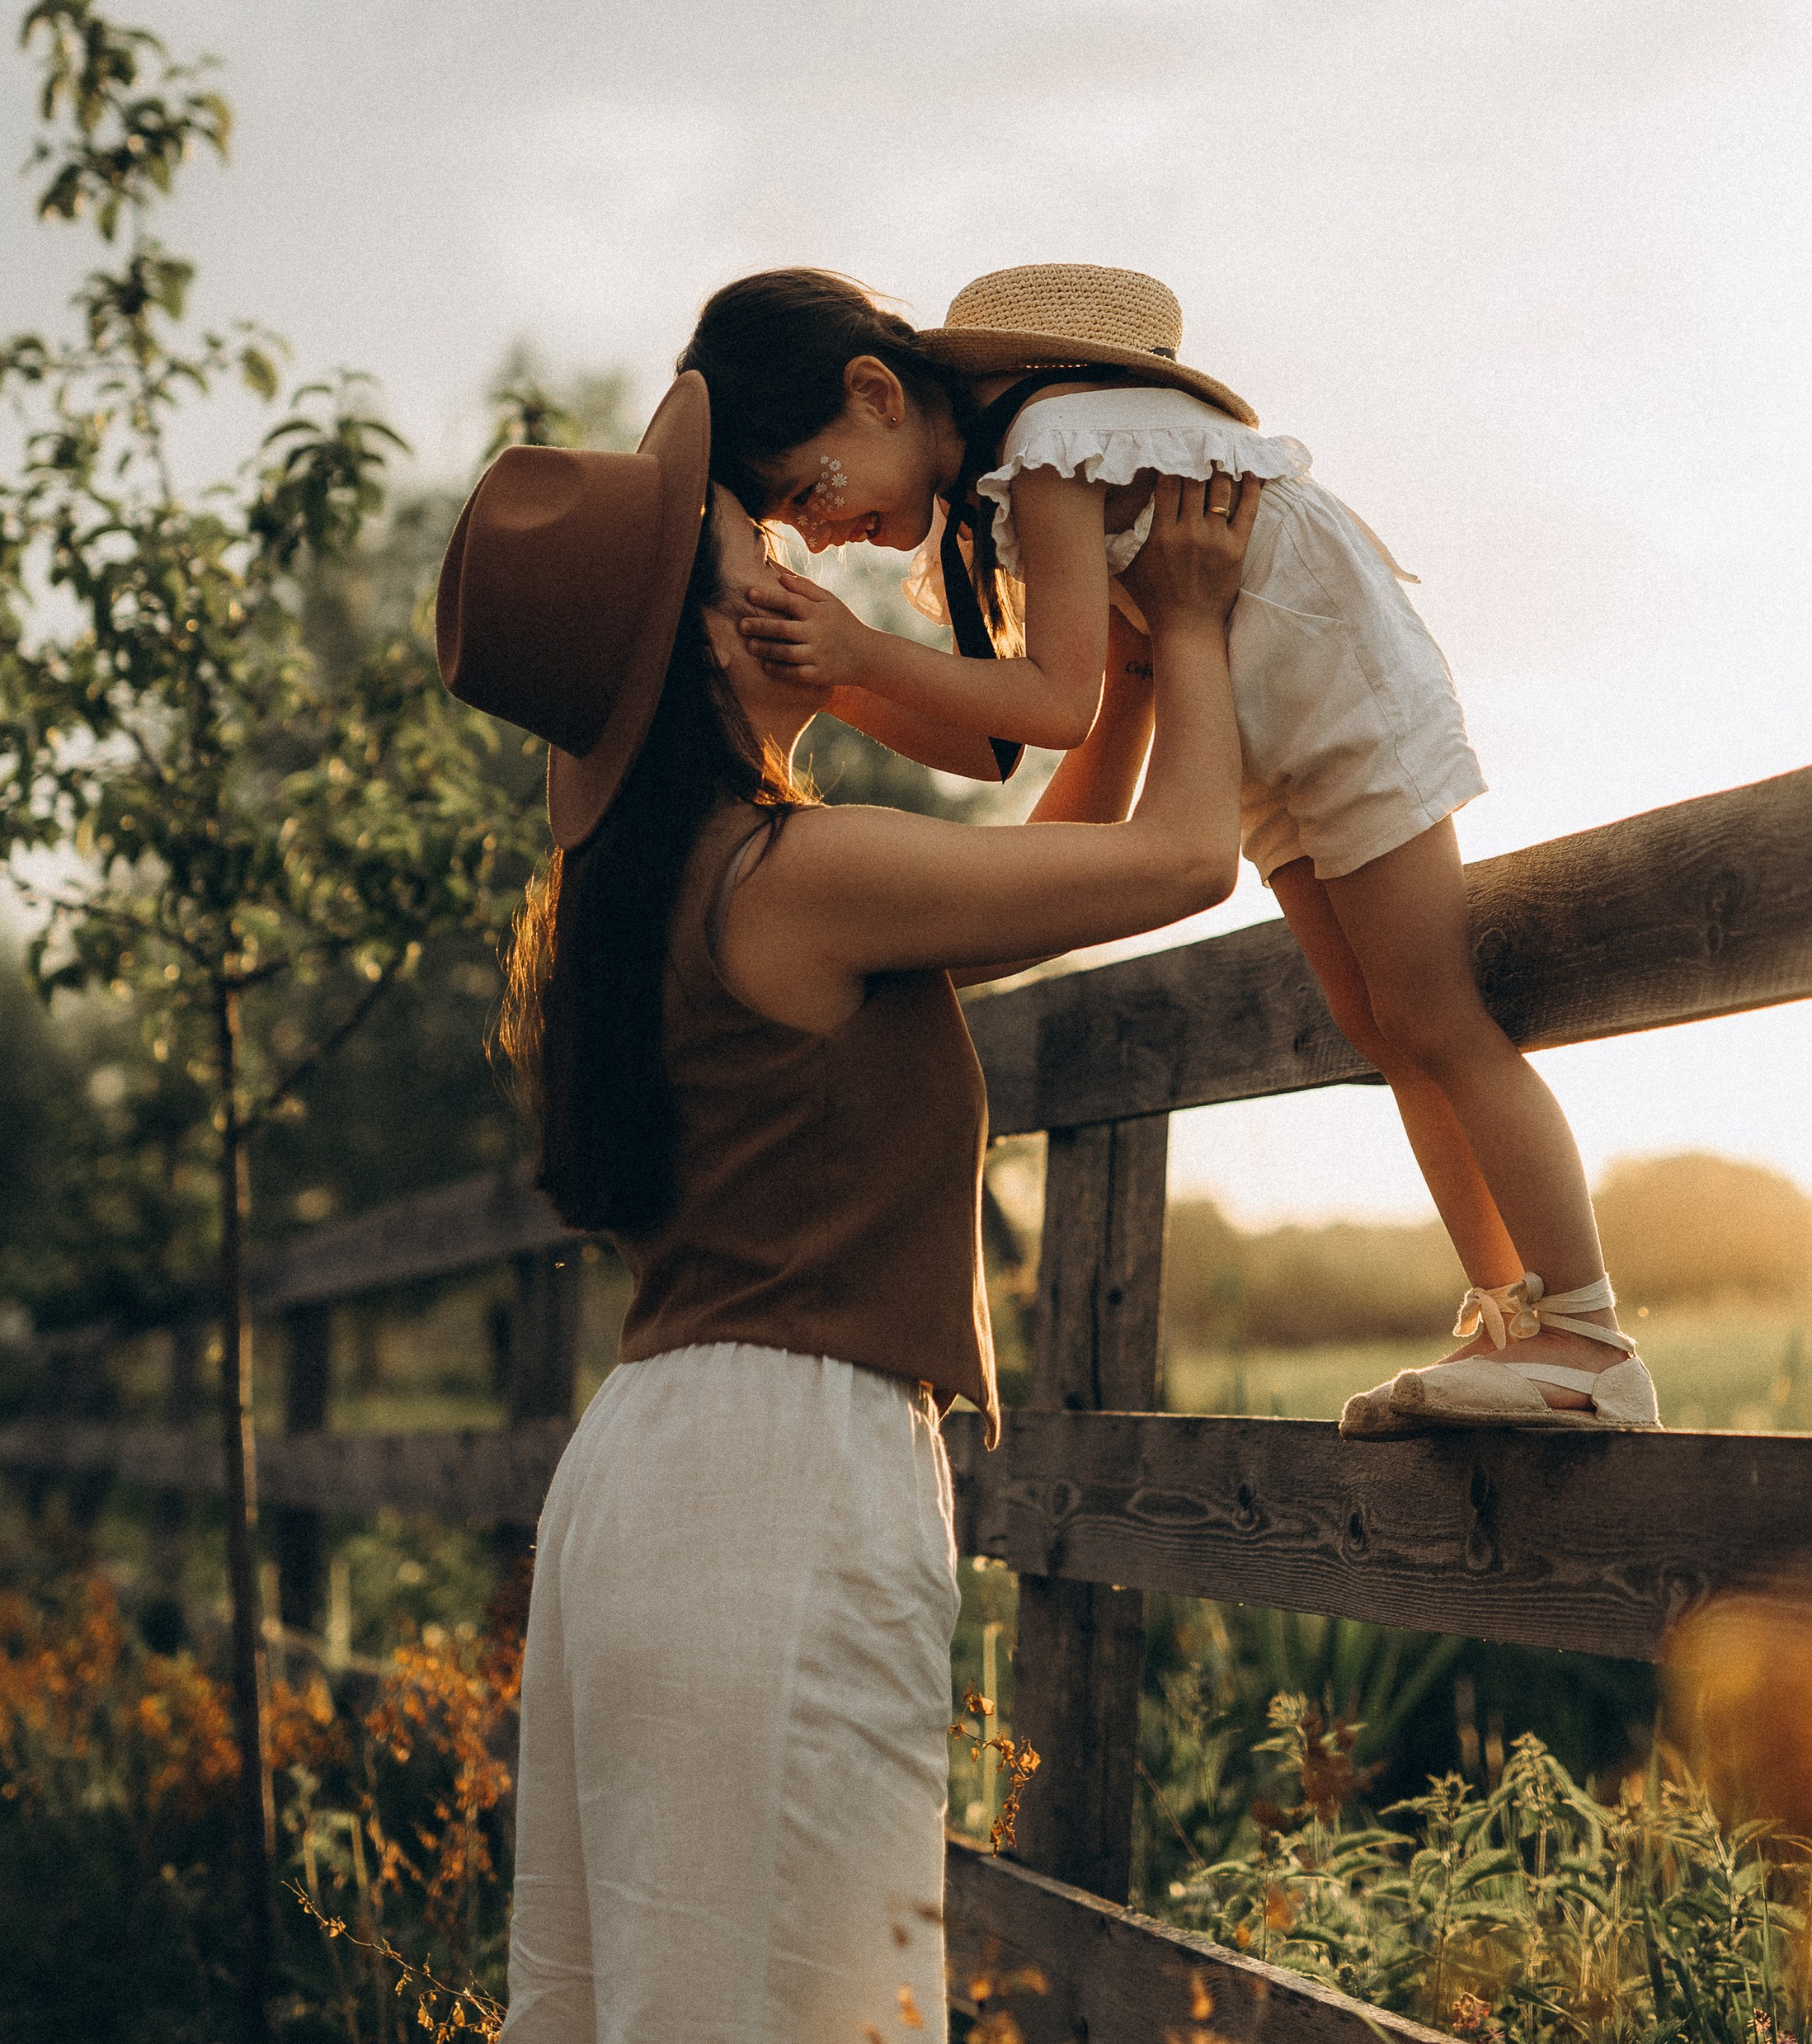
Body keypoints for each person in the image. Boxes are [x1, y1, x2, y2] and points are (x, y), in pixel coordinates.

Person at [437, 369, 1259, 2044]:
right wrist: (1194, 623)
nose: (800, 547)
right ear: (712, 635)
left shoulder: (687, 889)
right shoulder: (793, 873)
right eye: (756, 536)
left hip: (656, 1475)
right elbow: (1179, 862)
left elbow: (1053, 876)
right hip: (775, 1487)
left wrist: (1118, 672)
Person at [679, 261, 1660, 1439]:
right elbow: (995, 746)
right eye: (791, 526)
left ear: (878, 393)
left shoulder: (1047, 445)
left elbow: (1054, 703)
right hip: (1265, 725)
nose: (822, 535)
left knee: (1435, 1010)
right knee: (1378, 1029)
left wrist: (855, 654)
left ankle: (1593, 1338)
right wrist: (833, 672)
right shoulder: (1000, 502)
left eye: (808, 491)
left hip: (1339, 692)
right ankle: (1515, 1323)